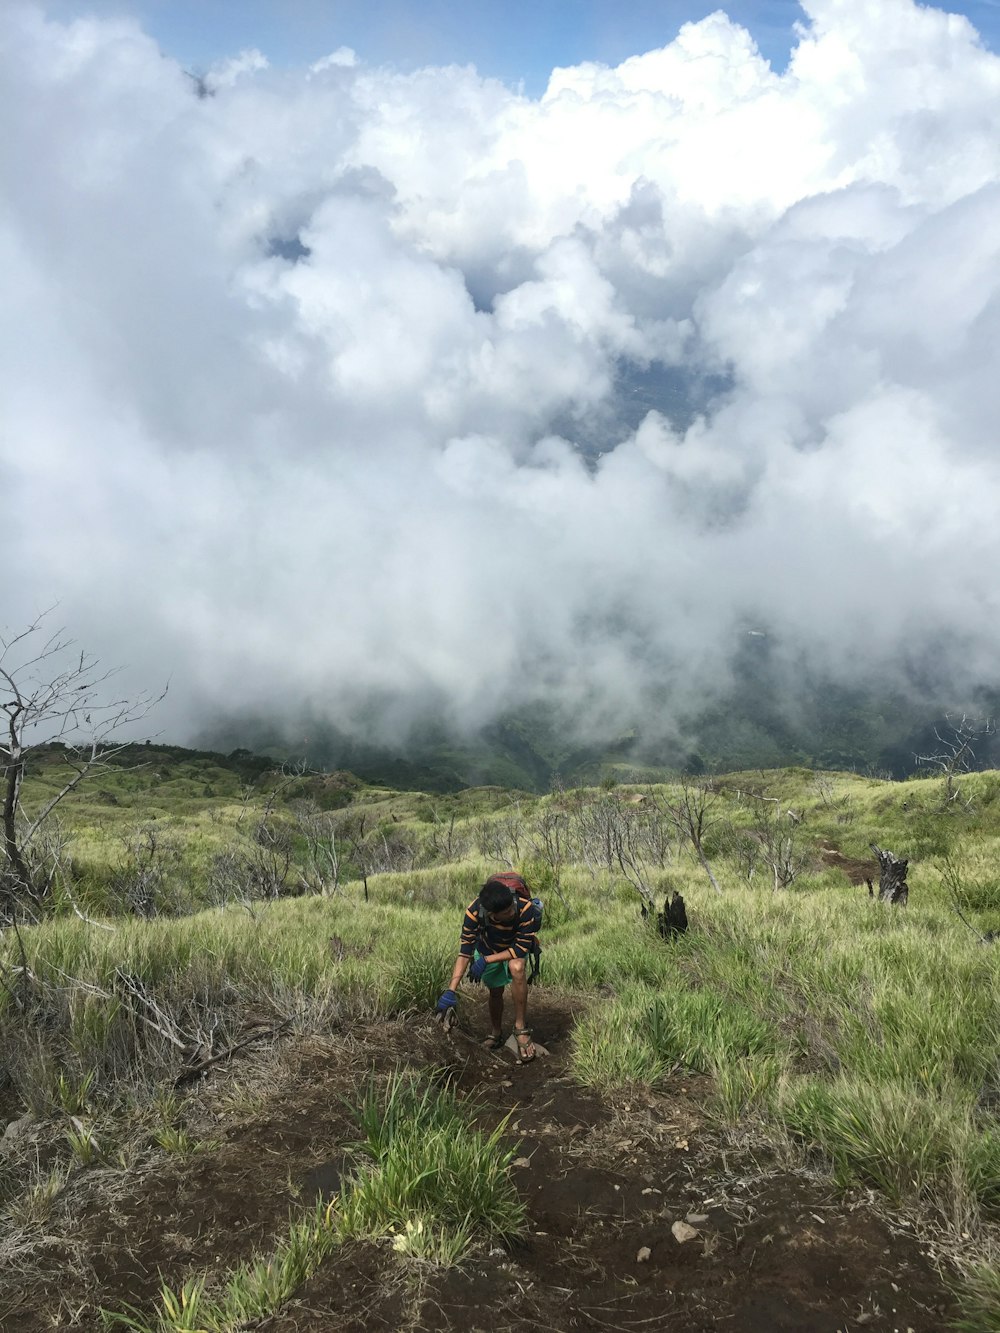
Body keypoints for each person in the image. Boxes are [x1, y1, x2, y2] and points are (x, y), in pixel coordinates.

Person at [436, 876, 539, 1062]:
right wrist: (451, 991)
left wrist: (486, 960)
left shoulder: (525, 908)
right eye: (507, 912)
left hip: (505, 951)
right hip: (487, 947)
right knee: (495, 991)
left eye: (511, 907)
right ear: (492, 915)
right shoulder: (474, 912)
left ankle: (520, 1028)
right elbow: (465, 951)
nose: (512, 912)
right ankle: (496, 1033)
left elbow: (520, 948)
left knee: (517, 967)